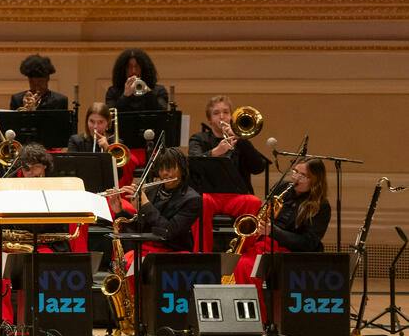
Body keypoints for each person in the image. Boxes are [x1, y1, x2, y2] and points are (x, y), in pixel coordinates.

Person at [0, 143, 62, 325]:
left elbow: (58, 225)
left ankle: (33, 323)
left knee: (37, 264)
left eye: (36, 167)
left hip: (45, 244)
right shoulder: (11, 190)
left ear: (45, 167)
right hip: (15, 245)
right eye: (27, 169)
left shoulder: (57, 189)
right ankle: (3, 322)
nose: (31, 173)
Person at [231, 158, 331, 291]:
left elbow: (308, 243)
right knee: (236, 262)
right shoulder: (282, 187)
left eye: (303, 175)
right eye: (295, 172)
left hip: (290, 251)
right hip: (267, 243)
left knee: (246, 266)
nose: (296, 178)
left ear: (315, 180)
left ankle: (257, 309)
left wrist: (273, 231)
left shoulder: (321, 206)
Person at [113, 147, 203, 285]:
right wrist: (119, 210)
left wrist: (145, 203)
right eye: (162, 169)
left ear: (182, 169)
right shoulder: (152, 191)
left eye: (170, 168)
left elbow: (168, 231)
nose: (165, 173)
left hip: (173, 251)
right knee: (127, 262)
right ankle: (134, 304)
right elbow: (140, 225)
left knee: (138, 266)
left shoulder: (192, 199)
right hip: (147, 248)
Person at [188, 96, 267, 251]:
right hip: (209, 195)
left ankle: (245, 252)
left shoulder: (241, 140)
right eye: (216, 113)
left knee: (254, 202)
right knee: (197, 202)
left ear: (232, 117)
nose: (222, 116)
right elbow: (192, 163)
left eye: (226, 112)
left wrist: (240, 138)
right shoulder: (199, 138)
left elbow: (258, 167)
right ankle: (202, 254)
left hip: (236, 196)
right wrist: (216, 152)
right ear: (210, 119)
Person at [104, 48, 169, 113]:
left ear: (144, 68)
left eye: (137, 66)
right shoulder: (112, 92)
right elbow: (111, 117)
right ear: (123, 70)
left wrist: (148, 93)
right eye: (129, 67)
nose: (133, 71)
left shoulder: (159, 91)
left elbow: (163, 114)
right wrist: (125, 96)